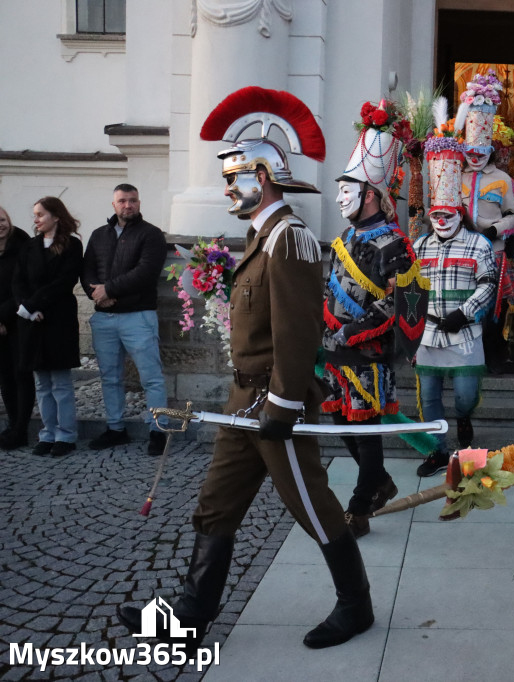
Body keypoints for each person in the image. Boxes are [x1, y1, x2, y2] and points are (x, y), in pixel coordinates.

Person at [118, 87, 373, 651]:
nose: (229, 188)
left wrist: (285, 404)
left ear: (266, 174)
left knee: (311, 505)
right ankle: (188, 620)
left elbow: (298, 331)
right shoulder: (260, 236)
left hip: (273, 403)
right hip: (243, 403)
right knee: (216, 504)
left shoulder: (290, 239)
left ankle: (356, 606)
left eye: (237, 178)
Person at [319, 99, 417, 537]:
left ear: (371, 194)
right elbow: (332, 284)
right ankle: (378, 484)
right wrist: (326, 327)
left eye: (348, 189)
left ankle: (358, 508)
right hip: (336, 349)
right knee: (343, 424)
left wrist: (352, 334)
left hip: (369, 353)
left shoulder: (395, 243)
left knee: (367, 430)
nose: (340, 197)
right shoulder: (345, 236)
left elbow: (398, 304)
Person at [413, 106, 498, 477]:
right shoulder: (418, 247)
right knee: (429, 397)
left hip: (464, 333)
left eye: (448, 214)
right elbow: (408, 291)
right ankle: (437, 451)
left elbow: (488, 284)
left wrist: (464, 314)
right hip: (428, 335)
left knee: (464, 396)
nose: (442, 221)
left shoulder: (479, 245)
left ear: (460, 214)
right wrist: (408, 331)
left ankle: (464, 422)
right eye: (437, 215)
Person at [81, 184, 169, 456]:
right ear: (114, 205)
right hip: (104, 319)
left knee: (151, 378)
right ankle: (116, 429)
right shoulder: (98, 235)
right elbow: (86, 271)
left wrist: (110, 290)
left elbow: (145, 272)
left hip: (138, 317)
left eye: (132, 200)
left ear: (139, 203)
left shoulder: (151, 235)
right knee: (110, 378)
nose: (127, 205)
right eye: (122, 201)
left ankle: (159, 430)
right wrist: (97, 295)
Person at [12, 197, 84, 457]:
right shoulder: (29, 247)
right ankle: (47, 433)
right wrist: (27, 308)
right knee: (41, 383)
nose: (36, 219)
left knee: (61, 383)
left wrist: (33, 304)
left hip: (58, 319)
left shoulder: (72, 245)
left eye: (40, 214)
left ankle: (66, 435)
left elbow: (64, 281)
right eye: (35, 215)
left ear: (55, 216)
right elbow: (18, 280)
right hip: (32, 321)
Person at [459, 71, 514, 371]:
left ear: (490, 150)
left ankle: (493, 356)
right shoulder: (454, 177)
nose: (475, 156)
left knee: (494, 309)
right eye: (470, 151)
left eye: (480, 151)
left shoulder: (502, 179)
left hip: (493, 253)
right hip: (462, 253)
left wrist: (493, 228)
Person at [0, 205, 35, 449]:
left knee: (21, 374)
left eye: (2, 219)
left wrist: (5, 316)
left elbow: (26, 284)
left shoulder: (23, 244)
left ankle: (21, 429)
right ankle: (12, 425)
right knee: (5, 377)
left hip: (19, 319)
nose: (0, 225)